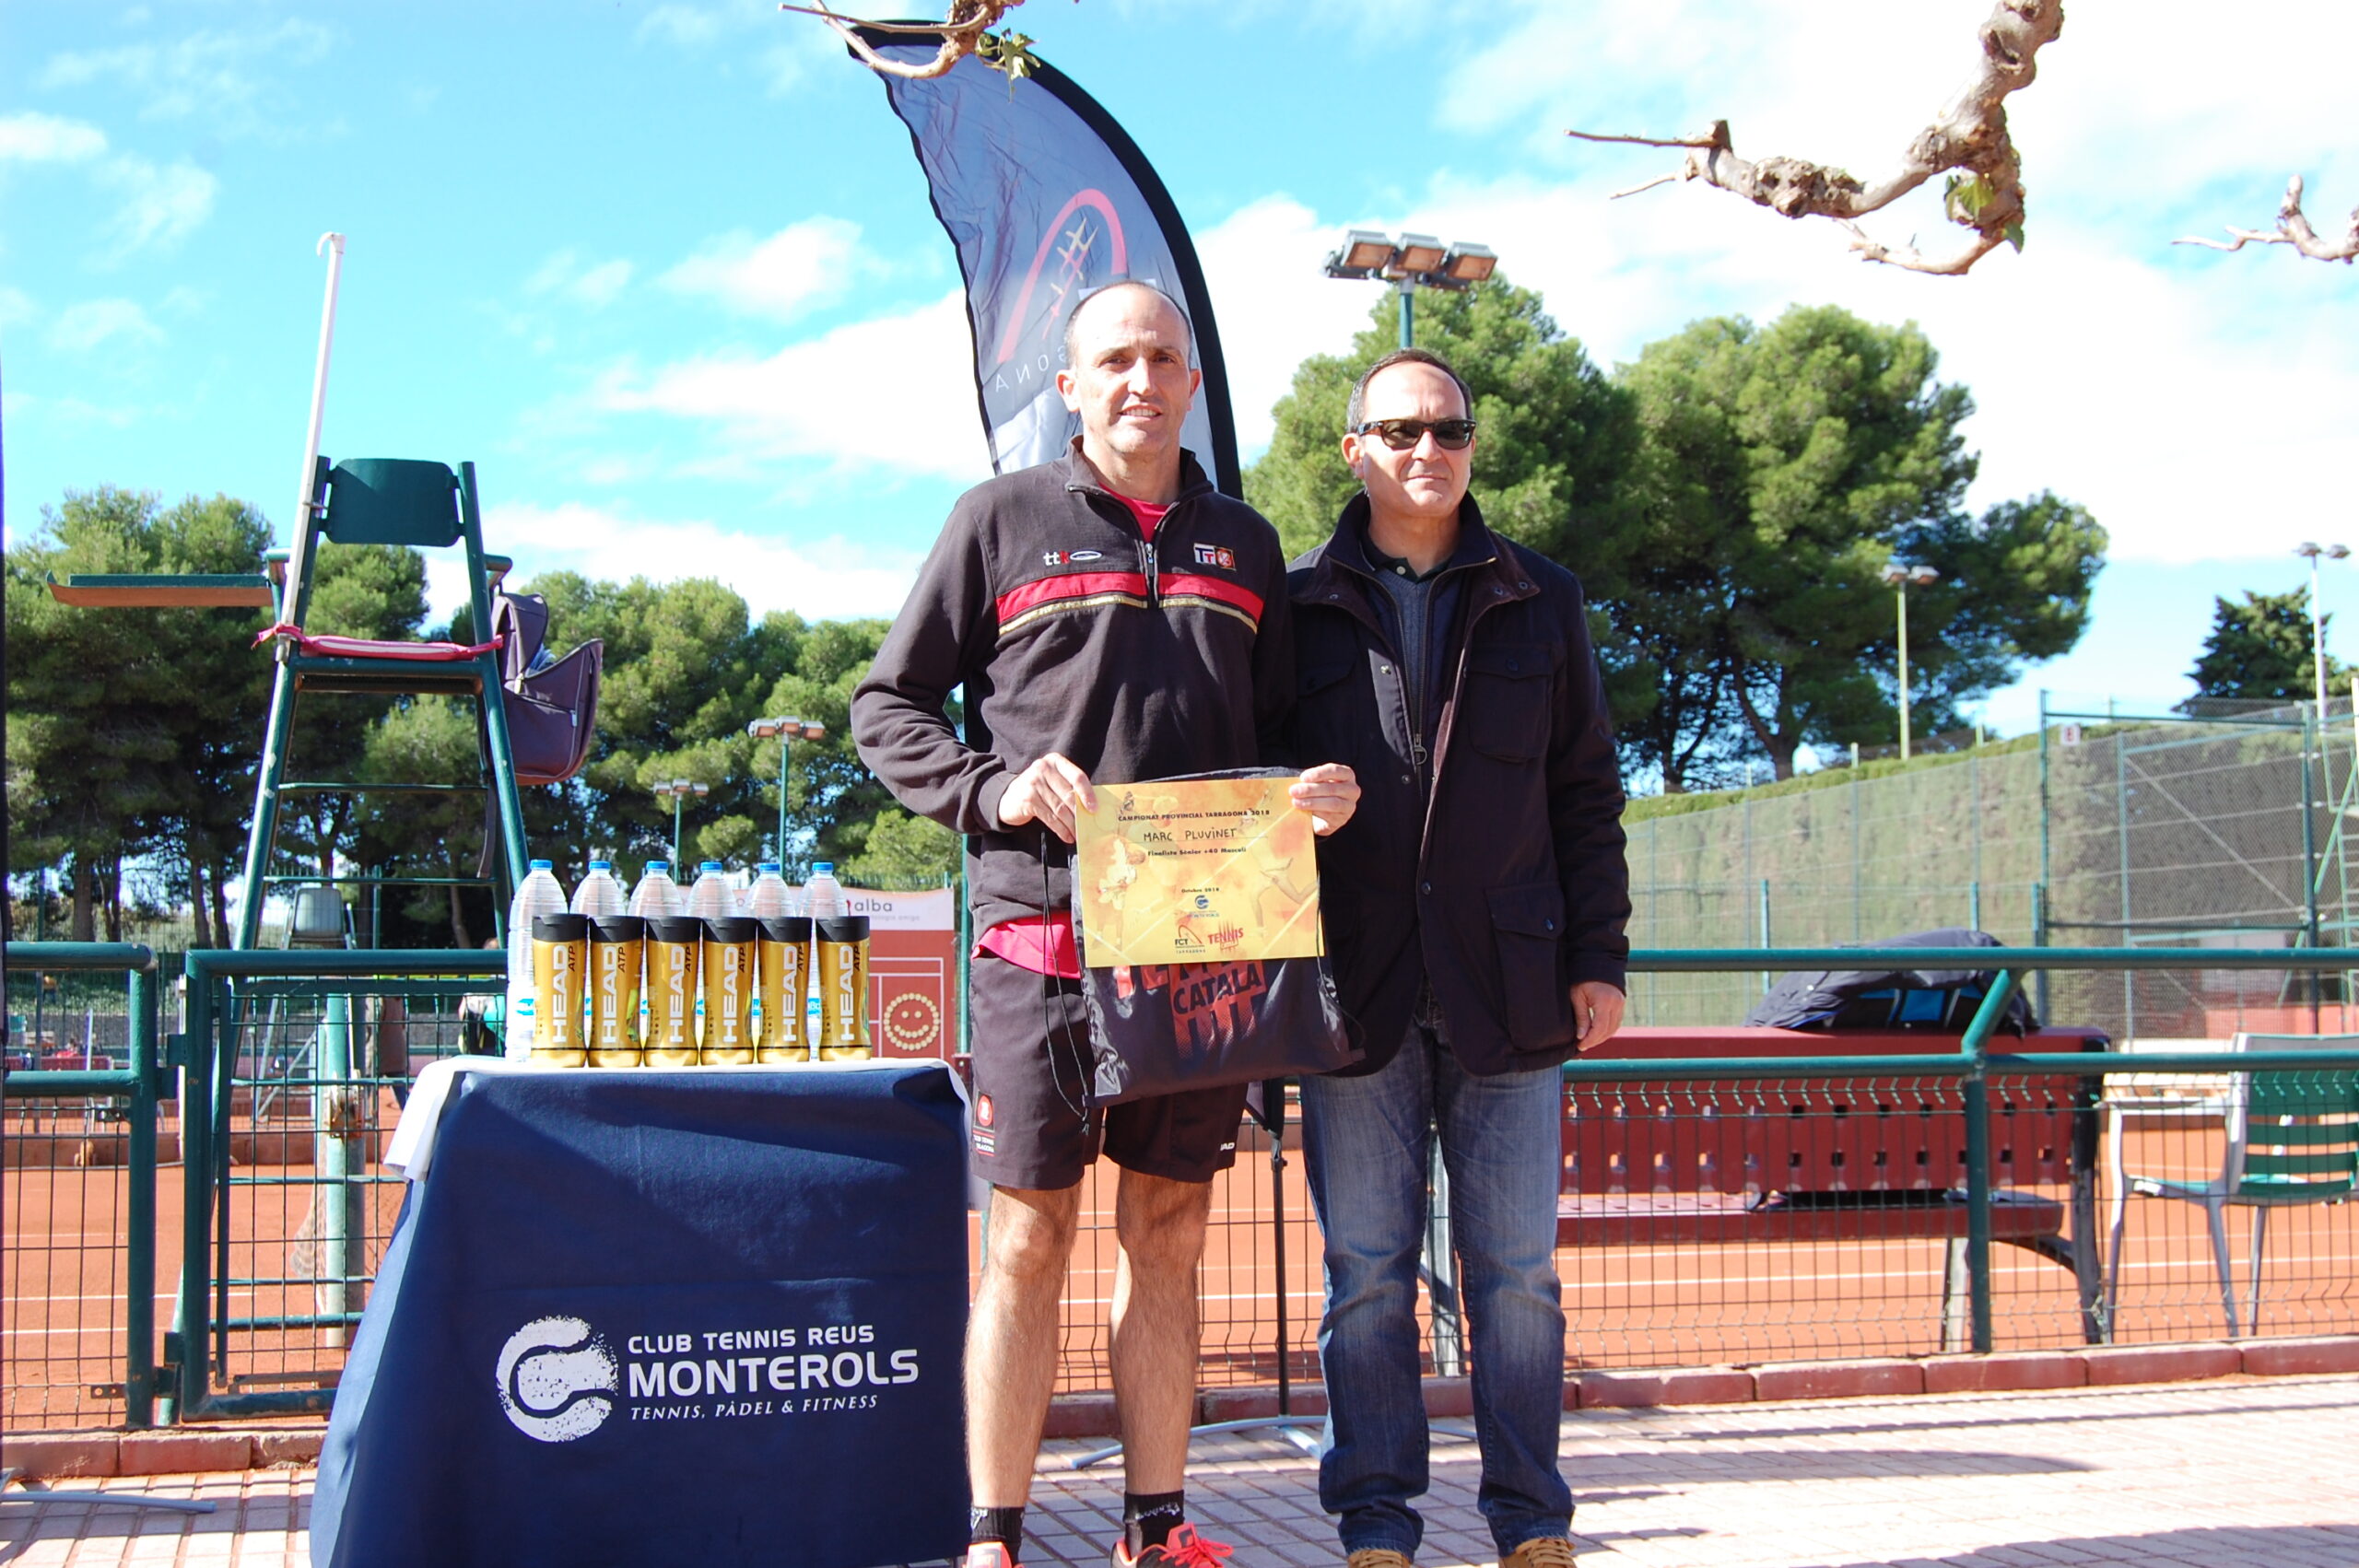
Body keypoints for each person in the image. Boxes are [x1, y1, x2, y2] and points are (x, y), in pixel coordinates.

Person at [852, 280, 1360, 1568]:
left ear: (1192, 381)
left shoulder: (1247, 544)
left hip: (1203, 948)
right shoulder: (997, 520)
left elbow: (1283, 731)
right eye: (1115, 359)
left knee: (1170, 1234)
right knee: (1028, 1237)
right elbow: (886, 708)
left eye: (1163, 357)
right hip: (1040, 943)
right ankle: (995, 1536)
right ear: (1071, 386)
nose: (1142, 378)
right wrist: (993, 787)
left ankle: (1157, 1526)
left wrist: (1315, 790)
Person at [1282, 346, 1631, 1568]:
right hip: (1354, 992)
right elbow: (1246, 777)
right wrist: (1290, 796)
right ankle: (1376, 1524)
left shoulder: (1545, 596)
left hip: (1514, 987)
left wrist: (1600, 957)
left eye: (1449, 429)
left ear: (1473, 445)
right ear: (1354, 450)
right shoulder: (1295, 600)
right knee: (1368, 1276)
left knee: (1518, 1276)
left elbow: (1585, 793)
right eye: (1400, 430)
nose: (1427, 449)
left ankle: (1532, 1522)